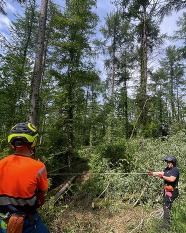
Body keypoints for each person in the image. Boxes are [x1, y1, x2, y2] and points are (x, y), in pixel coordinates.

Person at [0, 122, 50, 233]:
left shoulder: (1, 164)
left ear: (12, 142)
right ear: (33, 142)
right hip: (28, 220)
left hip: (3, 219)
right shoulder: (39, 167)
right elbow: (44, 191)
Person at [148, 155, 179, 231]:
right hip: (167, 191)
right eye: (167, 162)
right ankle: (168, 224)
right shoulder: (167, 169)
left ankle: (166, 227)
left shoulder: (175, 170)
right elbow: (162, 172)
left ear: (173, 163)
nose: (167, 163)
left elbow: (172, 179)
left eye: (169, 162)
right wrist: (153, 173)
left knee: (166, 207)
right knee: (166, 207)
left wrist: (162, 177)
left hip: (172, 192)